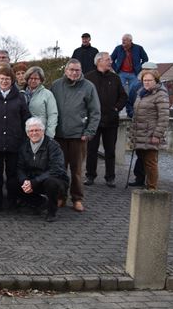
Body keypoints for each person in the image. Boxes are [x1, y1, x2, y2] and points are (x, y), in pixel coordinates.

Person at [50, 59, 100, 212]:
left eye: (77, 70)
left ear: (81, 71)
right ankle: (60, 197)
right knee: (59, 169)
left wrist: (89, 132)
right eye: (71, 69)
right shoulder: (56, 85)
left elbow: (95, 112)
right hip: (59, 136)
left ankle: (77, 198)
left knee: (77, 170)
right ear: (65, 70)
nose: (74, 73)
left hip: (79, 136)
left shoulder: (88, 87)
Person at [0, 66, 30, 210]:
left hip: (14, 142)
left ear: (12, 80)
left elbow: (26, 118)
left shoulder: (20, 97)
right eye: (1, 79)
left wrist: (24, 137)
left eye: (7, 79)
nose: (4, 81)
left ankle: (12, 201)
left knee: (12, 174)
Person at [85, 52, 128, 187]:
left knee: (110, 151)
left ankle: (110, 177)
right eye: (108, 59)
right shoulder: (88, 77)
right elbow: (83, 97)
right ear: (99, 61)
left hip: (111, 121)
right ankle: (90, 176)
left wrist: (116, 108)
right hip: (94, 121)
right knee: (91, 150)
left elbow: (123, 96)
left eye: (110, 59)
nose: (110, 61)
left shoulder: (115, 78)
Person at [16, 118, 69, 222]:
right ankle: (40, 203)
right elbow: (20, 167)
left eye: (37, 130)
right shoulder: (24, 146)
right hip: (34, 179)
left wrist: (34, 182)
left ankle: (52, 211)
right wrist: (25, 181)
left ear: (43, 131)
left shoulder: (53, 145)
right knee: (12, 183)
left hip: (55, 179)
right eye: (31, 131)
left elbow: (56, 169)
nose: (34, 133)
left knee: (51, 183)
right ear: (27, 133)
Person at [130, 69, 169, 190]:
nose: (146, 83)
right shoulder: (141, 92)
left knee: (151, 162)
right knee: (143, 161)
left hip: (151, 134)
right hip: (140, 133)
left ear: (156, 81)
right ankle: (145, 184)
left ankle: (152, 188)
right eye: (144, 80)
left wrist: (157, 135)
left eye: (149, 80)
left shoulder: (160, 94)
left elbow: (163, 117)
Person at [23, 66, 58, 138]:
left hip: (40, 133)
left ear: (41, 80)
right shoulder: (21, 94)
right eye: (31, 78)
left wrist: (49, 134)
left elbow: (52, 115)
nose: (33, 80)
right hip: (24, 133)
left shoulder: (47, 94)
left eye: (36, 79)